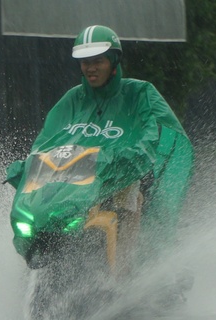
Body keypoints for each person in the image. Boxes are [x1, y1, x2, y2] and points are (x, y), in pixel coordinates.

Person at [22, 25, 194, 269]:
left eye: (97, 61)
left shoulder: (139, 93)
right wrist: (28, 163)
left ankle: (121, 274)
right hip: (82, 173)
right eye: (84, 62)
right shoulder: (72, 98)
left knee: (129, 197)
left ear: (114, 61)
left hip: (129, 170)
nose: (90, 68)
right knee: (42, 208)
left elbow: (153, 128)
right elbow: (47, 139)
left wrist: (137, 154)